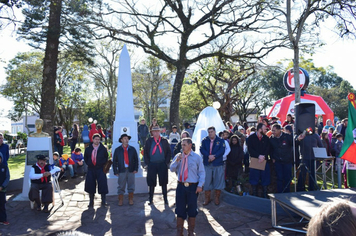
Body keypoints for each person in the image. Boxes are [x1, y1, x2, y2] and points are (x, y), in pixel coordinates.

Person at [170, 138, 205, 236]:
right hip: (181, 186)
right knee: (180, 209)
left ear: (190, 145)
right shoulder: (179, 156)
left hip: (192, 187)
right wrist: (177, 160)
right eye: (182, 145)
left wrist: (200, 185)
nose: (182, 147)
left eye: (184, 145)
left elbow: (202, 172)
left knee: (192, 209)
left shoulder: (197, 157)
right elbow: (171, 169)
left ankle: (190, 232)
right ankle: (179, 232)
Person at [144, 126, 171, 205]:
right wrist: (148, 163)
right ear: (152, 132)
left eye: (157, 131)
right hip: (152, 164)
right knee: (151, 183)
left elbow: (169, 152)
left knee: (164, 182)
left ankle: (165, 199)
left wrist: (166, 162)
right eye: (154, 131)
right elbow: (145, 152)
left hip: (162, 164)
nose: (156, 133)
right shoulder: (149, 141)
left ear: (160, 132)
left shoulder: (164, 141)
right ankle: (150, 199)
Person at [200, 126, 225, 205]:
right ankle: (207, 198)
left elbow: (222, 150)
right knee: (207, 182)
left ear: (215, 132)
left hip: (217, 164)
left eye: (212, 132)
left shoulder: (220, 140)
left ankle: (217, 198)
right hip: (207, 164)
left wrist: (214, 156)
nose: (210, 133)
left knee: (218, 181)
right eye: (209, 132)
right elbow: (202, 149)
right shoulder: (204, 140)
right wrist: (208, 156)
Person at [113, 134, 139, 206]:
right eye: (124, 138)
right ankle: (120, 199)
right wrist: (115, 171)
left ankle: (130, 198)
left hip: (130, 170)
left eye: (127, 138)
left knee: (131, 185)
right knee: (121, 185)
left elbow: (136, 160)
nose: (126, 140)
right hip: (122, 170)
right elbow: (114, 161)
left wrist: (136, 169)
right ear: (121, 140)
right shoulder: (118, 150)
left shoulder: (132, 149)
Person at [84, 133, 109, 207]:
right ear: (93, 140)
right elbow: (86, 158)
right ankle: (91, 201)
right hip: (91, 169)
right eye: (96, 139)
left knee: (102, 184)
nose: (97, 141)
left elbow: (106, 157)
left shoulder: (103, 149)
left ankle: (103, 200)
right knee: (90, 184)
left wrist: (102, 165)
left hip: (100, 168)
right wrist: (89, 163)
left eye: (98, 139)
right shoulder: (88, 149)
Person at [247, 123, 271, 198]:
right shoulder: (250, 138)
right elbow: (250, 150)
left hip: (264, 159)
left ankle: (265, 194)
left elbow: (268, 148)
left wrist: (263, 156)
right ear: (260, 129)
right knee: (254, 178)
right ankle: (254, 194)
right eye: (264, 129)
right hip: (255, 160)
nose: (266, 130)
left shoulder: (266, 138)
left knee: (265, 177)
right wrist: (258, 156)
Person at [270, 124, 293, 193]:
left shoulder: (287, 137)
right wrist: (272, 157)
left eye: (274, 130)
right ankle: (280, 193)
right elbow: (270, 149)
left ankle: (287, 192)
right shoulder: (271, 139)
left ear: (279, 130)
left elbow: (294, 143)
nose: (272, 132)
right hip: (278, 161)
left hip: (287, 161)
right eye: (272, 130)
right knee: (279, 178)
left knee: (287, 178)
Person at [0, 155, 9, 225]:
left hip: (2, 190)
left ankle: (3, 219)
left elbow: (7, 177)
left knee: (2, 205)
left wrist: (2, 186)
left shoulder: (4, 167)